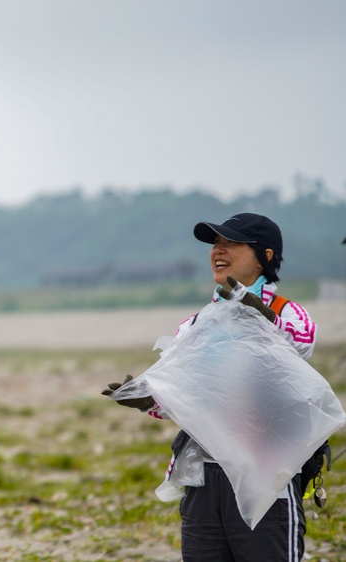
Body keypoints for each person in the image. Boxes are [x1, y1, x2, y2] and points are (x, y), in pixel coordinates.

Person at [103, 213, 316, 561]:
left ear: (265, 256)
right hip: (203, 478)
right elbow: (182, 394)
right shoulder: (198, 322)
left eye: (230, 242)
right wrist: (147, 398)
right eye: (216, 243)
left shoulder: (287, 313)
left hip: (265, 477)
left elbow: (301, 343)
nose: (218, 249)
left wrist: (258, 313)